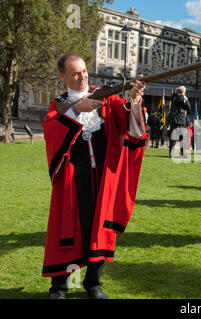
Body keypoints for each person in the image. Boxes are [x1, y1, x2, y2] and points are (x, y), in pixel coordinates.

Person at [41, 53, 147, 299]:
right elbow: (52, 132)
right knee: (66, 230)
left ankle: (93, 284)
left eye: (85, 72)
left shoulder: (106, 99)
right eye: (76, 73)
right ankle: (59, 287)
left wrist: (134, 100)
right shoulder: (59, 104)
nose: (82, 77)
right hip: (72, 179)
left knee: (100, 229)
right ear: (63, 76)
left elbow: (131, 126)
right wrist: (76, 110)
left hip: (102, 176)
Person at [168, 86, 191, 156]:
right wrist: (176, 93)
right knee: (173, 137)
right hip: (174, 119)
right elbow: (173, 100)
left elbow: (189, 108)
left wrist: (185, 100)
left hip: (182, 119)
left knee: (182, 137)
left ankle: (183, 152)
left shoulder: (184, 99)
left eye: (182, 91)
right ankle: (171, 153)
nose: (181, 93)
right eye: (180, 91)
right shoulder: (174, 96)